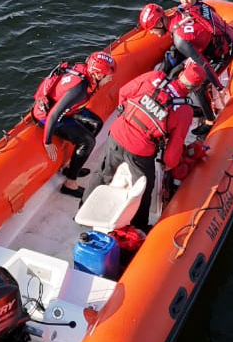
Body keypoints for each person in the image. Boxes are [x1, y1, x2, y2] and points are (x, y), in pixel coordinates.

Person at [84, 59, 205, 231]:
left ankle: (84, 209)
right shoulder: (184, 111)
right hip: (140, 151)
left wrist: (124, 112)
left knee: (103, 172)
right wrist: (171, 165)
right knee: (143, 189)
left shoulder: (154, 77)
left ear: (180, 73)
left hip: (117, 134)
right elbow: (173, 150)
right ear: (197, 88)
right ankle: (139, 227)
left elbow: (124, 92)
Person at [138, 0, 233, 131]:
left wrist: (219, 87)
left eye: (152, 29)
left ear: (160, 23)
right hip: (213, 42)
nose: (151, 33)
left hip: (226, 50)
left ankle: (210, 121)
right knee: (174, 65)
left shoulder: (180, 39)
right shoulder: (179, 13)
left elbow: (203, 65)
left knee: (199, 86)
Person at [32, 50, 116, 198]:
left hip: (68, 111)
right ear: (98, 75)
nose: (110, 79)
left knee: (96, 124)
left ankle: (72, 167)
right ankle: (70, 184)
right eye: (109, 77)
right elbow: (53, 115)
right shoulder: (79, 89)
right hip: (47, 117)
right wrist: (48, 141)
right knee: (88, 142)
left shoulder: (86, 74)